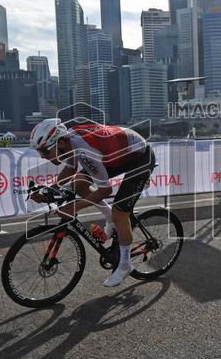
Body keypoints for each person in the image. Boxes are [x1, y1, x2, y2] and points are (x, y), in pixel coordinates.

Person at [29, 118, 156, 288]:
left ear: (60, 142)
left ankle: (125, 265)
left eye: (45, 150)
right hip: (119, 154)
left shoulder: (85, 150)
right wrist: (49, 190)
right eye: (39, 152)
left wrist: (74, 206)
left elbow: (105, 190)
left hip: (140, 157)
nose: (42, 156)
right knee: (79, 183)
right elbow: (71, 169)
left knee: (120, 213)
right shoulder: (69, 142)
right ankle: (110, 218)